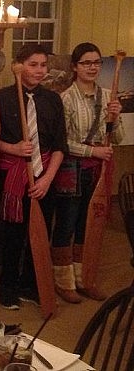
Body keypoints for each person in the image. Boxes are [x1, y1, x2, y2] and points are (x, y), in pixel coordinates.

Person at [0, 44, 67, 310]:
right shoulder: (2, 98)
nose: (39, 70)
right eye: (33, 64)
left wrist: (47, 178)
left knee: (40, 232)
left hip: (44, 173)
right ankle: (8, 286)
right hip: (14, 173)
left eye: (43, 65)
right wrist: (11, 147)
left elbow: (60, 145)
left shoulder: (52, 100)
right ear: (19, 65)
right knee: (13, 234)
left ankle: (31, 283)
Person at [52, 42, 123, 302]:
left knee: (90, 224)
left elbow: (119, 136)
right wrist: (92, 152)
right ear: (75, 66)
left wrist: (115, 119)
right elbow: (63, 141)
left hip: (100, 169)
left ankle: (85, 278)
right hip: (73, 168)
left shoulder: (108, 96)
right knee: (68, 222)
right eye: (86, 63)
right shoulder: (66, 98)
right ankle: (63, 281)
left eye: (96, 63)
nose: (92, 68)